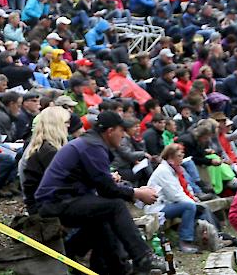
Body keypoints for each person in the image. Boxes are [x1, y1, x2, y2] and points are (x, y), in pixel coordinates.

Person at [35, 111, 164, 274]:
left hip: (62, 199)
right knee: (115, 206)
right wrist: (137, 193)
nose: (123, 136)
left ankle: (113, 267)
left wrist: (114, 182)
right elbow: (107, 189)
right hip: (56, 202)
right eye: (121, 131)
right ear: (110, 131)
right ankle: (143, 257)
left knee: (103, 219)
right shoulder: (93, 146)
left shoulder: (89, 143)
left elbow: (100, 181)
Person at [146, 144, 220, 253]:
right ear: (171, 157)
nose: (182, 157)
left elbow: (180, 191)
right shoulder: (163, 171)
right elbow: (175, 195)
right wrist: (193, 203)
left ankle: (214, 236)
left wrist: (195, 202)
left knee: (202, 208)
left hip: (168, 204)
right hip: (157, 208)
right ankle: (185, 241)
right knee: (189, 207)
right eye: (179, 155)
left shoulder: (173, 169)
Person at [20, 106, 70, 214]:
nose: (69, 126)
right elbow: (66, 183)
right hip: (44, 205)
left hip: (42, 201)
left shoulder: (43, 146)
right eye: (66, 122)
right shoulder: (49, 151)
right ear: (57, 125)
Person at [112, 118, 153, 186]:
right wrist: (143, 154)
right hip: (121, 169)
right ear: (128, 128)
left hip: (129, 165)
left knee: (146, 165)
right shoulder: (123, 139)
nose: (138, 128)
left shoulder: (130, 138)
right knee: (145, 168)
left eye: (139, 126)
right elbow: (128, 154)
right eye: (135, 126)